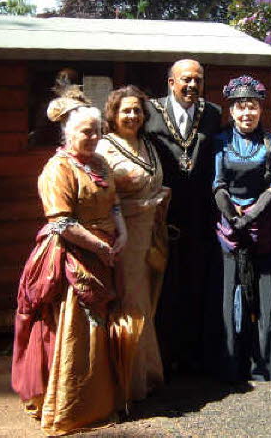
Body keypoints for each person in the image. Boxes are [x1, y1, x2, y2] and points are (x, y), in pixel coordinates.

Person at [11, 88, 127, 435]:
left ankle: (100, 400)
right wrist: (100, 247)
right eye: (85, 131)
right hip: (71, 258)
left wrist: (121, 235)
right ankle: (71, 408)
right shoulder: (56, 169)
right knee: (76, 328)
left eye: (97, 130)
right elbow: (61, 222)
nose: (93, 137)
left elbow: (115, 203)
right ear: (68, 134)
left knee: (101, 325)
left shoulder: (101, 163)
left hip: (105, 251)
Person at [145, 59, 221, 376]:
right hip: (162, 217)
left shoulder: (213, 114)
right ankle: (163, 357)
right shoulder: (149, 113)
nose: (192, 86)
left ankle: (192, 357)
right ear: (171, 81)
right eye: (186, 80)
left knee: (194, 287)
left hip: (200, 218)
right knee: (163, 292)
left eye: (198, 81)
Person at [97, 85, 170, 401]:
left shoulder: (147, 144)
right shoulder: (103, 148)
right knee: (132, 303)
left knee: (149, 302)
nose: (132, 116)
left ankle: (148, 372)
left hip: (152, 232)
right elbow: (99, 197)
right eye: (126, 110)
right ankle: (129, 381)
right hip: (123, 235)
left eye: (137, 110)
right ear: (113, 113)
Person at [212, 75, 271, 382]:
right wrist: (233, 216)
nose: (246, 114)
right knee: (230, 294)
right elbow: (218, 184)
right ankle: (231, 365)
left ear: (260, 110)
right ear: (231, 111)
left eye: (252, 107)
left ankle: (265, 363)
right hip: (229, 229)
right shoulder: (220, 142)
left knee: (264, 296)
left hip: (262, 228)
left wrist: (252, 215)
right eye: (240, 107)